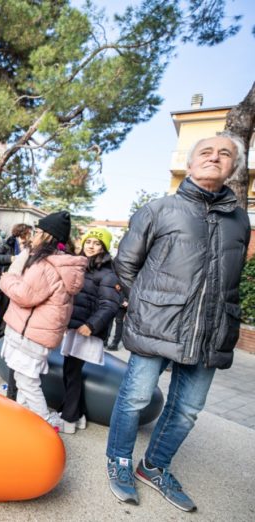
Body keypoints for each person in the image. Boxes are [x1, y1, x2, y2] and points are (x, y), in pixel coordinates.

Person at [105, 133, 249, 512]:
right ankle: (119, 460)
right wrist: (148, 306)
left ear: (233, 167)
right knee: (135, 398)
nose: (215, 158)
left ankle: (153, 467)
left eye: (224, 154)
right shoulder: (159, 209)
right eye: (206, 151)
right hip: (158, 325)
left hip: (212, 333)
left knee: (187, 409)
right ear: (190, 163)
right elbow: (126, 264)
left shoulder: (240, 221)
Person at [0, 212, 86, 428]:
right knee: (25, 379)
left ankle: (45, 422)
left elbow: (25, 295)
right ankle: (23, 419)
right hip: (39, 331)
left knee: (27, 381)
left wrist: (7, 279)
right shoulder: (58, 264)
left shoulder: (46, 265)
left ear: (48, 236)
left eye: (37, 232)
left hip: (32, 331)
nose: (33, 236)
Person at [57, 227, 120, 434]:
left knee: (72, 372)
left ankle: (69, 418)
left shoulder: (107, 273)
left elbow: (110, 305)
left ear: (104, 247)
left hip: (86, 330)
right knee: (69, 371)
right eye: (89, 242)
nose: (91, 246)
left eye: (97, 243)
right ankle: (79, 415)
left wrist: (91, 325)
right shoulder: (81, 265)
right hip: (75, 327)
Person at [0, 223, 33, 340]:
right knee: (3, 306)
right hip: (8, 277)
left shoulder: (30, 246)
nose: (30, 235)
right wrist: (10, 258)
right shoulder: (9, 243)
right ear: (22, 232)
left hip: (22, 280)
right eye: (29, 232)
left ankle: (8, 332)